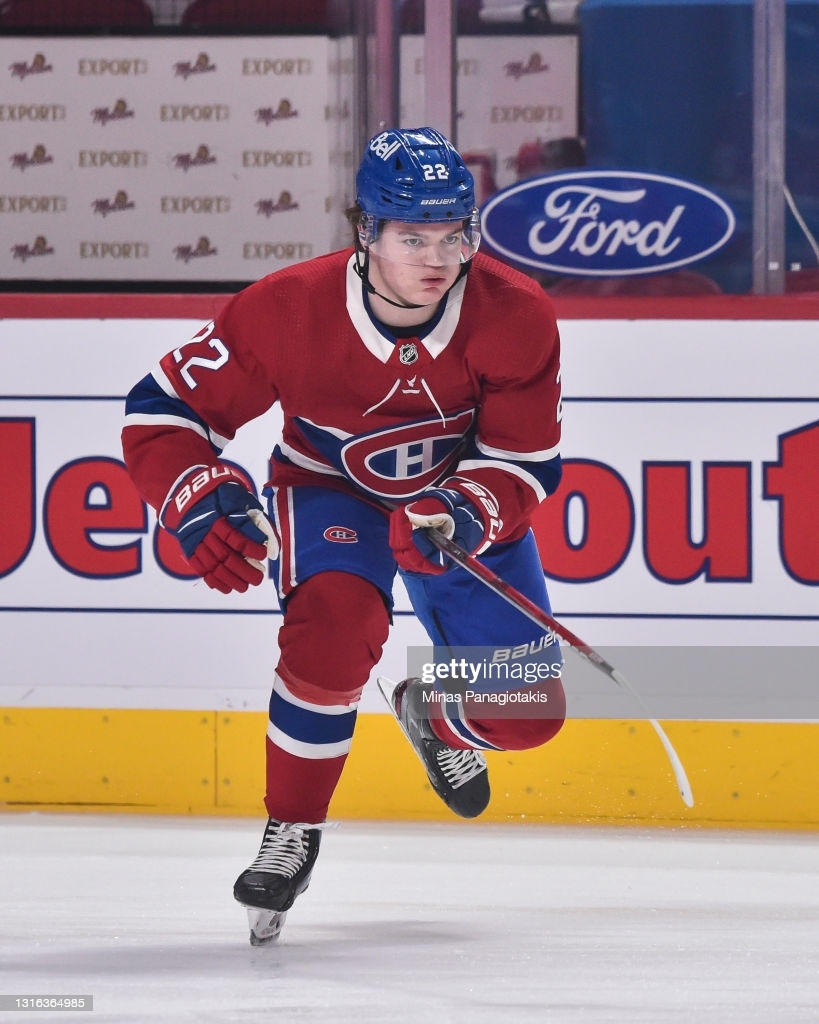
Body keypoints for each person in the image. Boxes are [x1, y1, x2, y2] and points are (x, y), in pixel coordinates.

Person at [121, 126, 566, 939]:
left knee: (526, 715)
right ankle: (291, 829)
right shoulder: (285, 308)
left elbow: (525, 461)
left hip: (455, 514)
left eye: (453, 234)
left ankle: (429, 713)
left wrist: (464, 510)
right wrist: (196, 491)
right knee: (332, 632)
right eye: (412, 236)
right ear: (366, 231)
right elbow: (163, 409)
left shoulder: (517, 316)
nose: (437, 258)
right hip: (332, 491)